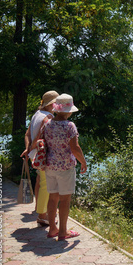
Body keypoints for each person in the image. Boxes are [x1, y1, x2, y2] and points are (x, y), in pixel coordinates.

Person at [40, 93, 87, 241]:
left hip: (50, 165)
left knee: (52, 198)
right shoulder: (69, 126)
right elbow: (75, 148)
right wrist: (83, 162)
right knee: (65, 200)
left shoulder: (47, 123)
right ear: (67, 110)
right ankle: (63, 232)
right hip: (65, 167)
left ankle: (52, 229)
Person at [21, 90, 59, 227]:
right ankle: (43, 216)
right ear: (51, 104)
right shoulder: (47, 117)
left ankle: (41, 210)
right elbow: (39, 137)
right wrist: (32, 148)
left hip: (34, 155)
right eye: (57, 103)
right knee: (46, 185)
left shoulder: (36, 114)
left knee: (41, 182)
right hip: (42, 155)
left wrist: (28, 148)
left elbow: (27, 134)